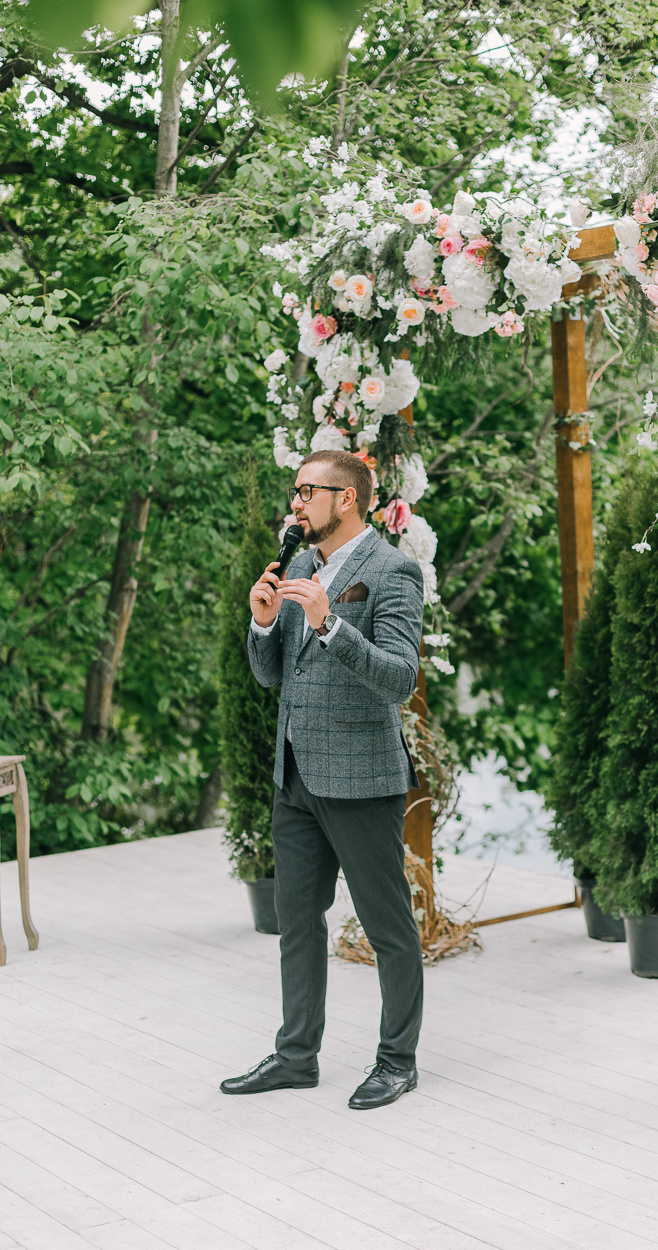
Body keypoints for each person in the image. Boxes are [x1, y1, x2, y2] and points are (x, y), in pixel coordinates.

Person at [220, 449, 425, 1110]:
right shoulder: (300, 565)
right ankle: (294, 1056)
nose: (297, 502)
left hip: (362, 779)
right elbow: (274, 674)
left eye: (310, 491)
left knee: (386, 926)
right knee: (297, 922)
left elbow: (398, 678)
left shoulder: (392, 571)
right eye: (296, 489)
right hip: (296, 775)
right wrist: (260, 622)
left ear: (349, 499)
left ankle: (396, 1061)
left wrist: (328, 622)